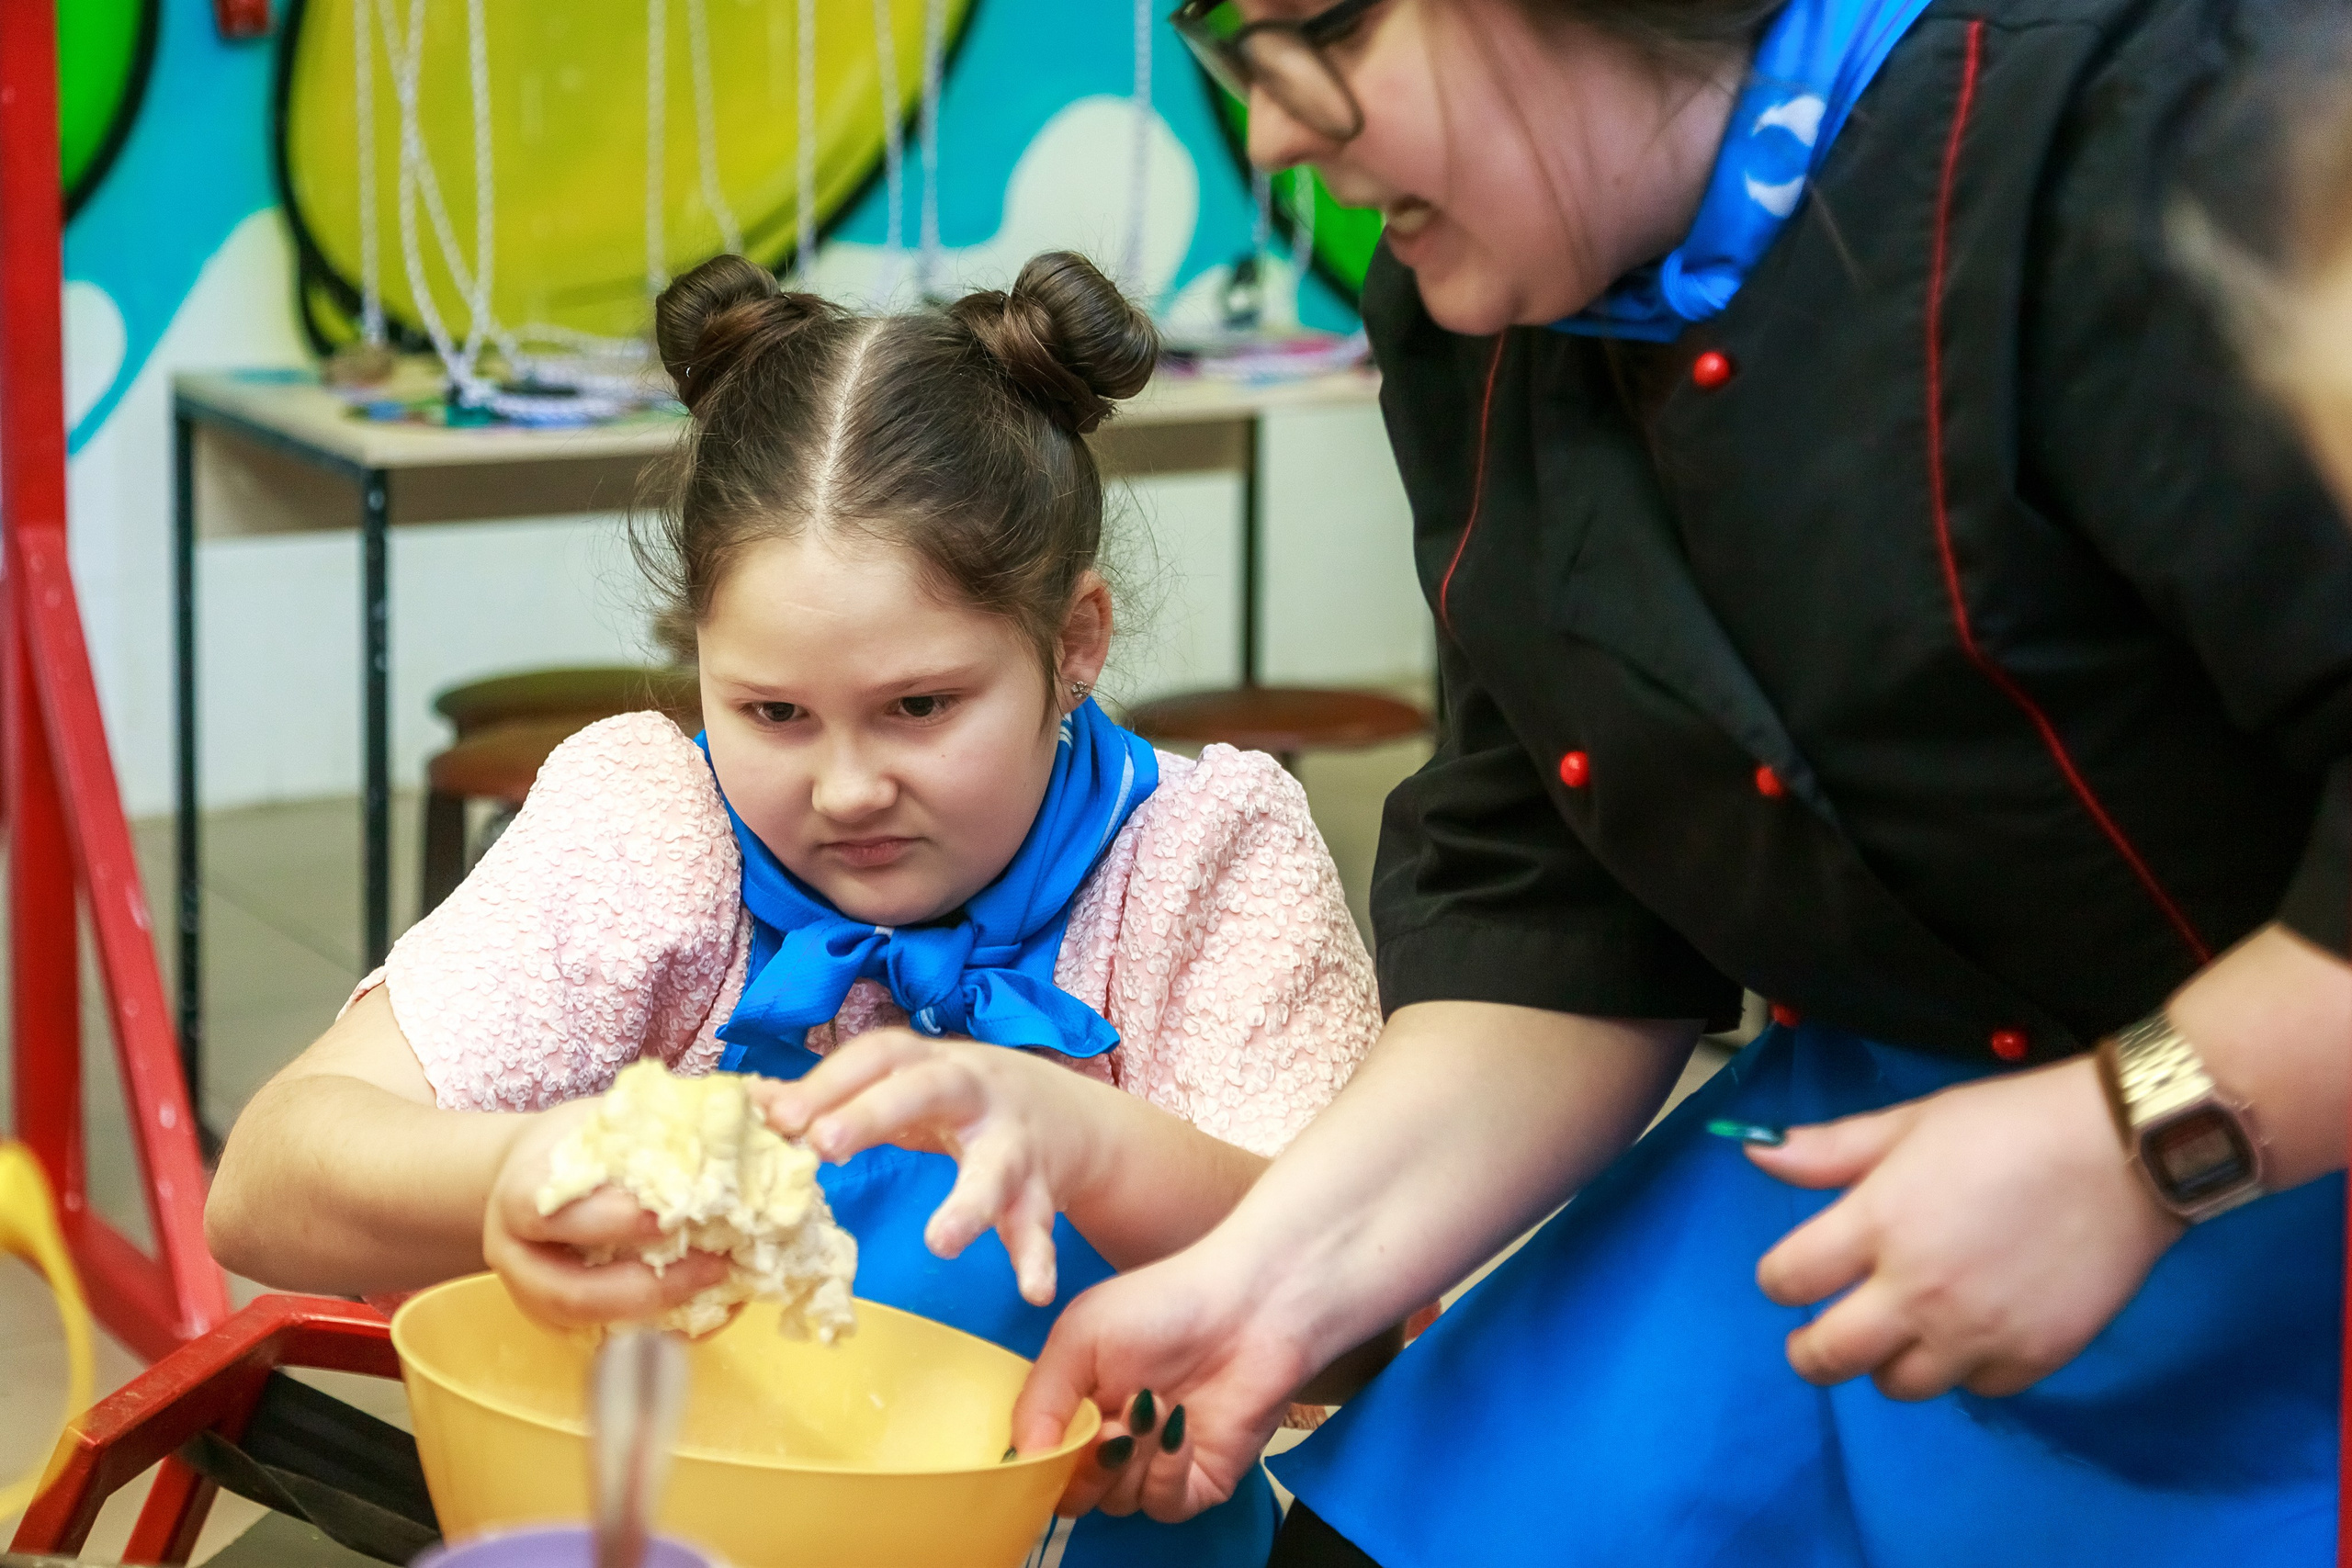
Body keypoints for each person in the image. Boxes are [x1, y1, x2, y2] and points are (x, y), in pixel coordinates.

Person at [988, 2, 2352, 1563]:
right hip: (1874, 1139)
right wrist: (1275, 1279)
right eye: (1234, 49)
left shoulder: (2158, 149)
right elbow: (1562, 906)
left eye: (1331, 32)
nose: (1278, 130)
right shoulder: (1482, 307)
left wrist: (2139, 1143)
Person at [204, 250, 1384, 1568]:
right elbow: (265, 1188)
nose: (844, 788)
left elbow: (1371, 1318)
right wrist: (520, 1169)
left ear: (1076, 643)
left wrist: (1090, 1149)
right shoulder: (660, 828)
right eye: (771, 712)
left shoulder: (1201, 863)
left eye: (921, 708)